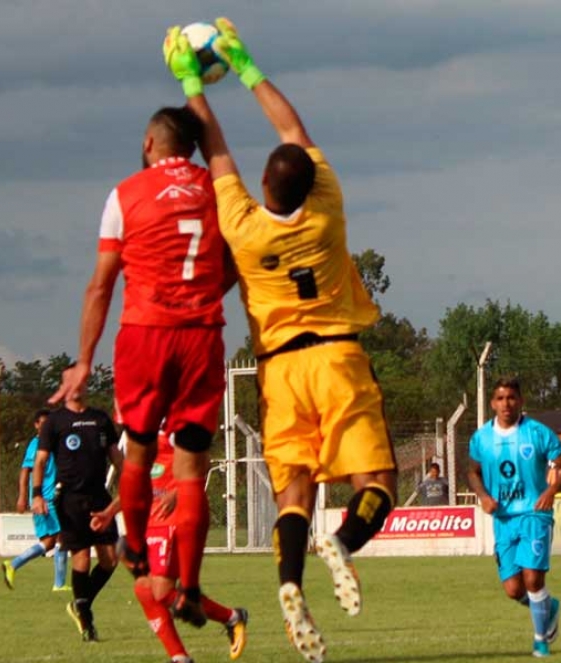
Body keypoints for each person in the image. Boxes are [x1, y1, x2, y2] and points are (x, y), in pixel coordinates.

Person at [164, 19, 400, 663]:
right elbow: (294, 132)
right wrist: (243, 65)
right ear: (308, 182)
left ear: (264, 186)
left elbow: (215, 151)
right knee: (376, 479)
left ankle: (290, 583)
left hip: (277, 371)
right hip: (337, 356)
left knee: (294, 492)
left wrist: (192, 81)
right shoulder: (326, 210)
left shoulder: (242, 225)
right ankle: (344, 542)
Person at [49, 100, 236, 627]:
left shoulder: (125, 194)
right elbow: (237, 266)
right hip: (202, 336)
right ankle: (192, 587)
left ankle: (133, 553)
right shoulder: (218, 190)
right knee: (192, 468)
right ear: (193, 147)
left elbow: (101, 284)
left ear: (150, 143)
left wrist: (83, 361)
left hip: (144, 334)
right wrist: (204, 296)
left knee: (137, 451)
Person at [467, 377, 561, 658]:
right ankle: (548, 608)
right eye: (500, 398)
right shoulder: (481, 438)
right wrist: (483, 496)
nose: (506, 403)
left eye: (511, 398)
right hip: (503, 519)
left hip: (534, 514)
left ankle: (541, 641)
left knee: (532, 579)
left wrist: (552, 489)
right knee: (514, 590)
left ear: (521, 401)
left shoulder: (538, 433)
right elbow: (472, 472)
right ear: (492, 403)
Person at [122, 431, 249, 662]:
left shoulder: (171, 425)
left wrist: (177, 492)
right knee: (143, 588)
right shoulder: (136, 427)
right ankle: (180, 657)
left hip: (174, 517)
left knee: (161, 590)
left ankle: (232, 617)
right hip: (150, 521)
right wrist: (109, 512)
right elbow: (136, 480)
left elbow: (203, 461)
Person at [33, 390, 122, 643]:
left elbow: (115, 456)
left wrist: (131, 479)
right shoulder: (55, 421)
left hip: (99, 498)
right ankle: (86, 620)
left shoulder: (100, 419)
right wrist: (37, 494)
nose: (78, 387)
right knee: (81, 557)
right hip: (70, 498)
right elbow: (40, 461)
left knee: (110, 559)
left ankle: (80, 604)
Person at [1, 408, 70, 591]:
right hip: (46, 499)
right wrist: (23, 496)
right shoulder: (37, 444)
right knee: (63, 536)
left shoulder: (54, 443)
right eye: (43, 423)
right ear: (36, 425)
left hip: (47, 498)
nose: (47, 426)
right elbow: (25, 471)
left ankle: (13, 565)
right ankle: (59, 584)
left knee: (48, 542)